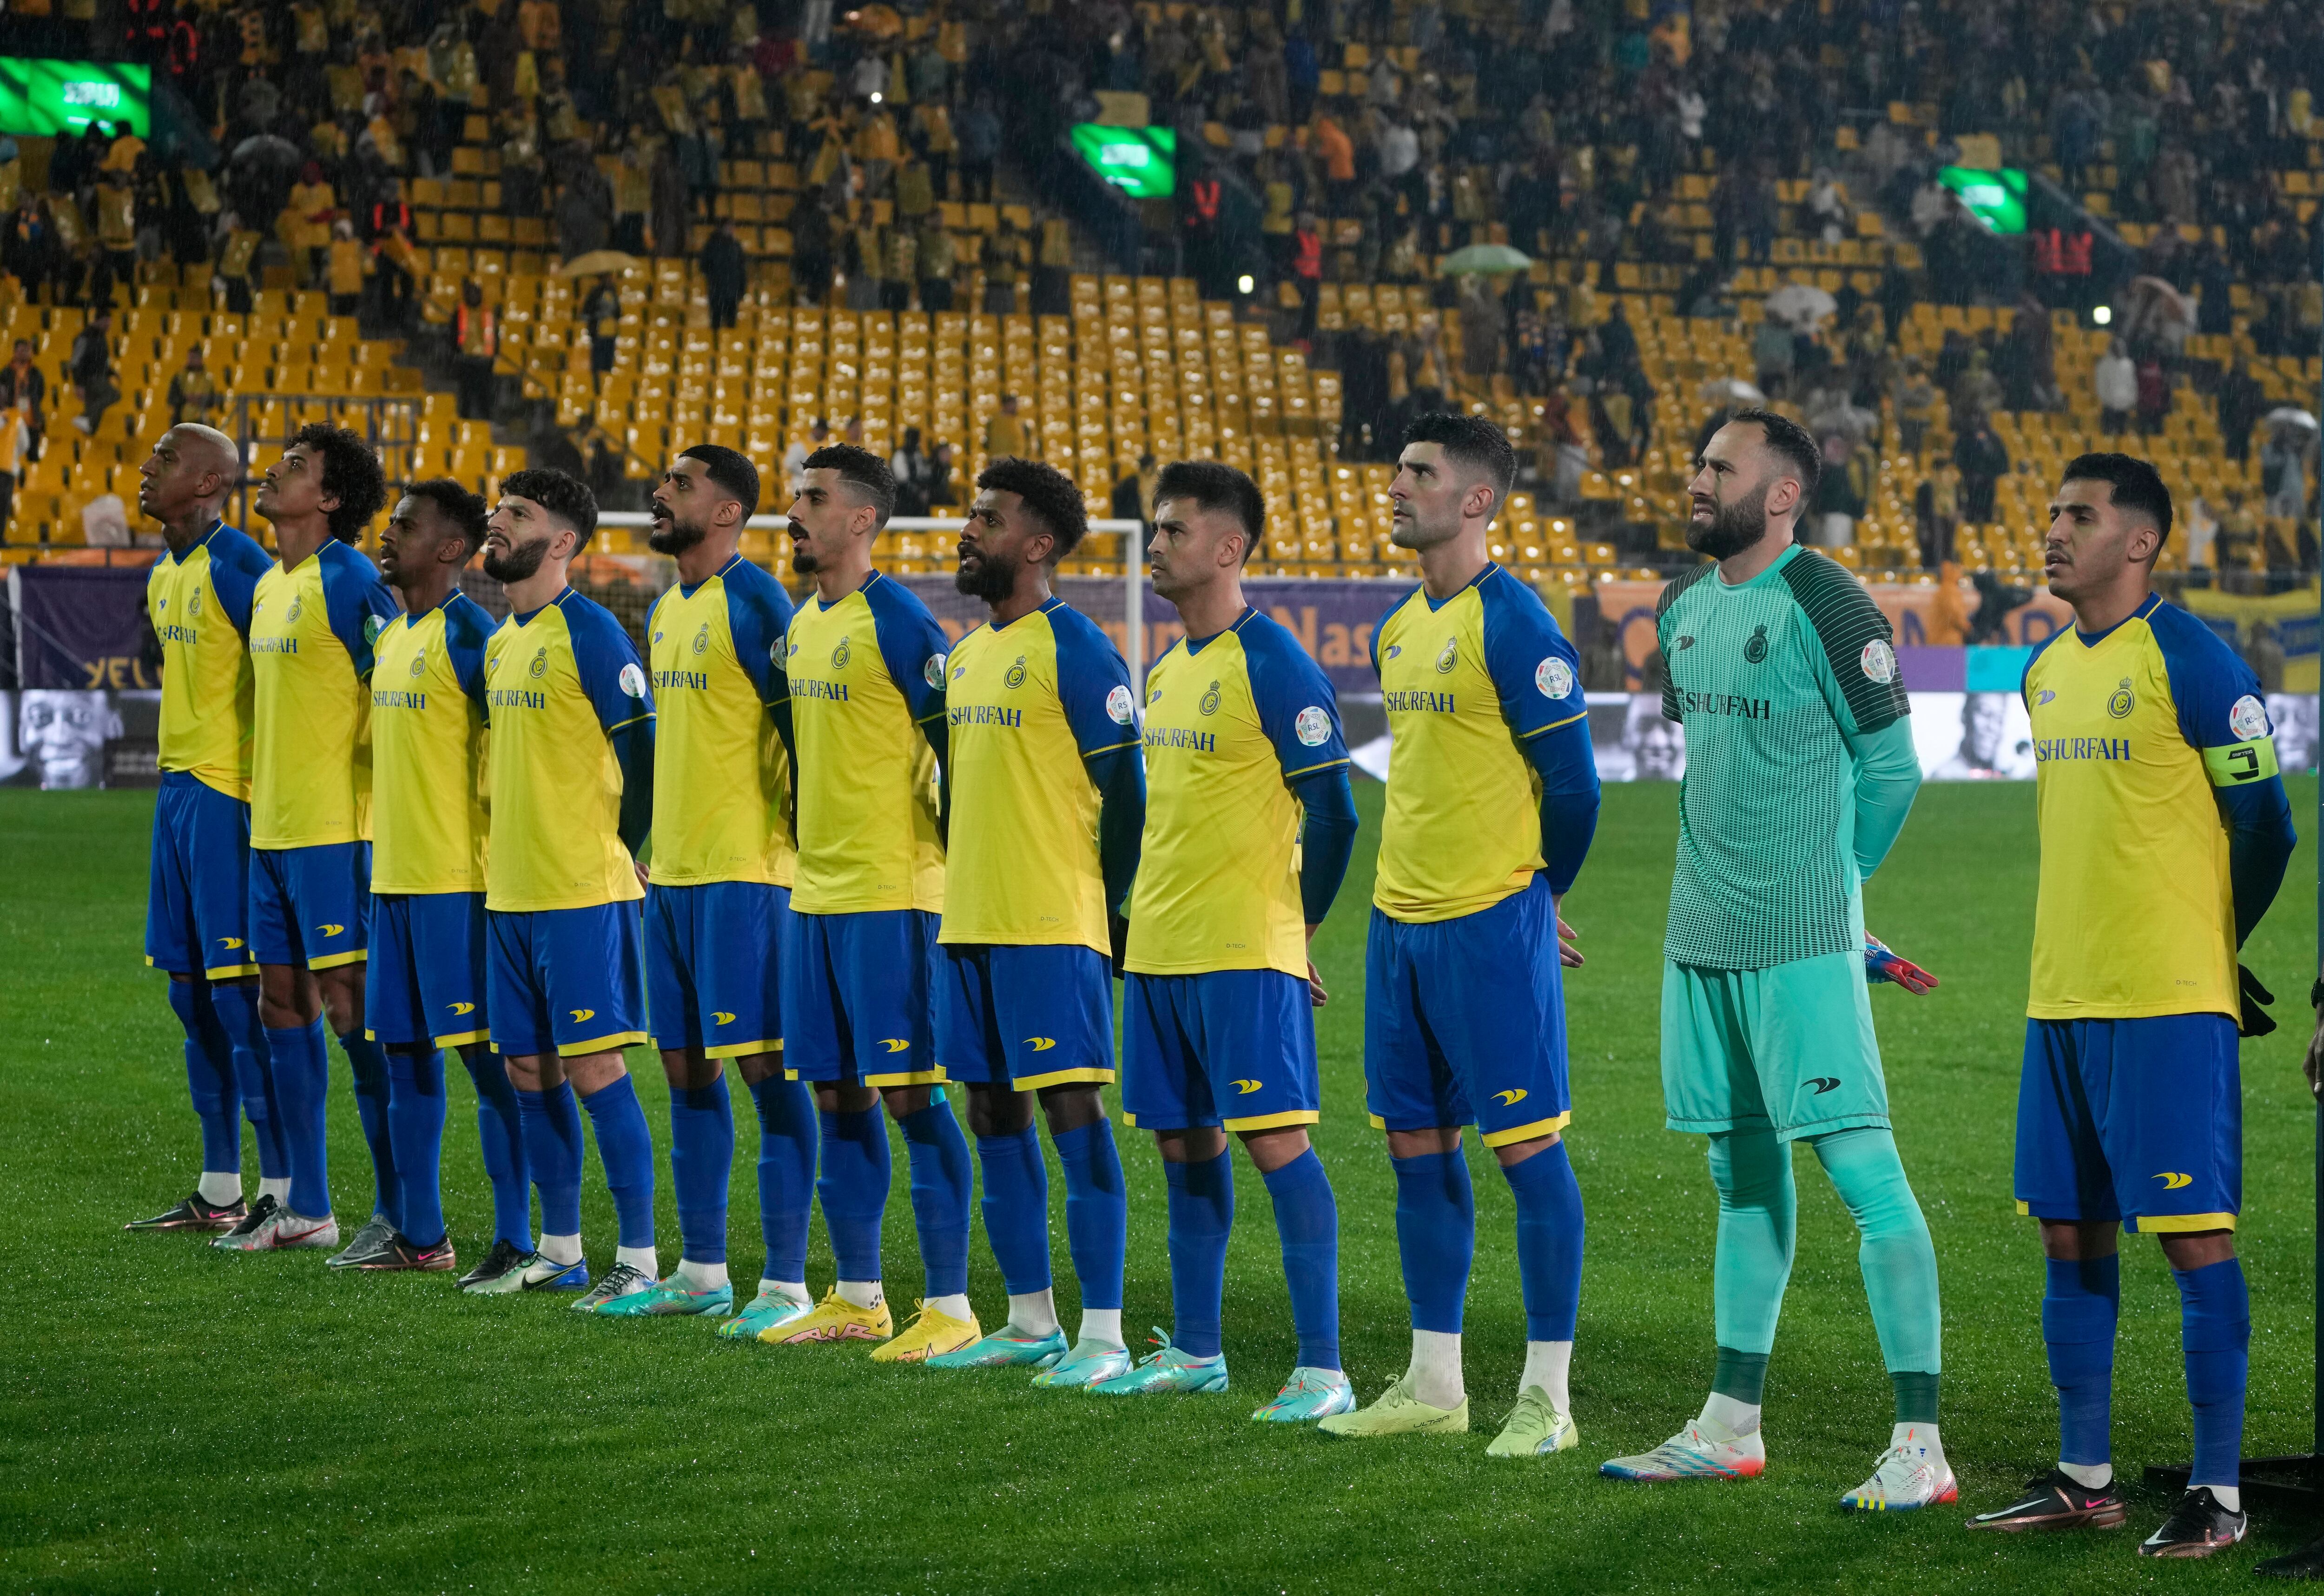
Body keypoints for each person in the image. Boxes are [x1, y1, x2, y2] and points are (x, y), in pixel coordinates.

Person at [1601, 409, 1949, 1511]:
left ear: (1784, 492)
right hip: (1698, 935)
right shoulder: (1683, 603)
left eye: (1721, 467)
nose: (1698, 481)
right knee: (1738, 1174)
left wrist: (1837, 891)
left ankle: (1921, 1444)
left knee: (1865, 1178)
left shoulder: (1828, 598)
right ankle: (1729, 1423)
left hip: (1800, 939)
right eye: (1698, 465)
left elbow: (1892, 768)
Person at [1967, 454, 2295, 1556]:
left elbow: (2269, 824)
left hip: (2165, 1000)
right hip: (2058, 993)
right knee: (2069, 1229)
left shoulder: (2193, 657)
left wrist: (2213, 943)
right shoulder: (2046, 666)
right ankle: (2083, 1473)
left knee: (2192, 1238)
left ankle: (2218, 1492)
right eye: (2053, 510)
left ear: (2139, 541)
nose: (2053, 529)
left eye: (2079, 515)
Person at [1317, 413, 1600, 1452]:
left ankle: (1548, 1401)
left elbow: (1574, 789)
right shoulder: (1400, 626)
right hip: (1396, 926)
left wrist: (1538, 897)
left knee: (1525, 1153)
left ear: (1475, 499)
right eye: (1395, 469)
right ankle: (1435, 1384)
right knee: (1413, 1147)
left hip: (1488, 924)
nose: (1394, 486)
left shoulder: (1515, 622)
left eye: (1419, 473)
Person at [1093, 460, 1360, 1419]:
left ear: (1227, 546)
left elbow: (1334, 812)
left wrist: (1301, 927)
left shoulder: (1273, 659)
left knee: (1274, 1142)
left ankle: (1323, 1368)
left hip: (1244, 947)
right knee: (1181, 1146)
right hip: (1159, 950)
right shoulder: (1165, 670)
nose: (1154, 546)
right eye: (1154, 530)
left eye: (1170, 530)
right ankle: (1197, 1349)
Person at [917, 456, 1144, 1383]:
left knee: (1072, 1111)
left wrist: (1107, 901)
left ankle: (1104, 1334)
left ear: (1038, 544)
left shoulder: (1077, 649)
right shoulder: (967, 655)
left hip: (1051, 923)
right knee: (988, 1110)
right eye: (973, 515)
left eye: (990, 518)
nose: (970, 530)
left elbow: (1126, 793)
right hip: (968, 920)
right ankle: (1028, 1320)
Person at [759, 444, 981, 1361]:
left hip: (896, 894)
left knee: (911, 1094)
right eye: (794, 497)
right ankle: (857, 1294)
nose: (795, 513)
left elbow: (959, 752)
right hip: (818, 893)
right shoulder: (806, 625)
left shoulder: (899, 622)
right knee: (836, 1091)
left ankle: (953, 1304)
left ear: (862, 519)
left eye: (812, 500)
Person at [609, 447, 819, 1329]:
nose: (661, 493)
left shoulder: (759, 600)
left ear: (729, 512)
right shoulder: (663, 610)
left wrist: (809, 851)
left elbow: (805, 733)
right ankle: (700, 1270)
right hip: (679, 875)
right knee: (687, 1073)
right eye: (664, 482)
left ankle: (787, 1282)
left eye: (682, 484)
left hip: (748, 875)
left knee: (768, 1074)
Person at [476, 468, 663, 1307]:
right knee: (527, 1066)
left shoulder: (590, 632)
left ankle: (643, 1258)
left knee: (594, 1068)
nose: (497, 519)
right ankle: (560, 1247)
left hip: (582, 891)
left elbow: (644, 756)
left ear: (562, 542)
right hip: (510, 893)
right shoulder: (500, 639)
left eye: (517, 513)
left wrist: (620, 851)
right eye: (498, 508)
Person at [213, 426, 399, 1259]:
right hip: (272, 830)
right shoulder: (271, 584)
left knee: (356, 1018)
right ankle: (308, 1205)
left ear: (328, 498)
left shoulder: (353, 579)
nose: (273, 471)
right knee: (278, 1005)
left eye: (295, 466)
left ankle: (401, 1208)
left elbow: (395, 689)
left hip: (336, 833)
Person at [364, 479, 535, 1282]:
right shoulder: (396, 632)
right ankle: (422, 1233)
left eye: (406, 524)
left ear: (452, 549)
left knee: (484, 1060)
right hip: (392, 876)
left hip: (457, 883)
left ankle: (518, 1233)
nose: (388, 533)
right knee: (402, 1051)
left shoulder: (474, 636)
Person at [125, 424, 282, 1237]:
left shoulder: (242, 567)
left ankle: (284, 1191)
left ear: (211, 479)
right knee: (190, 995)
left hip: (231, 795)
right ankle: (219, 1187)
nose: (148, 469)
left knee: (238, 997)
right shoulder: (165, 568)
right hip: (177, 791)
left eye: (166, 458)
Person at [1932, 692, 2021, 778]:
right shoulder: (1944, 776)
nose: (1992, 727)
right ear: (1965, 715)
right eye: (1985, 713)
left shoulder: (2011, 773)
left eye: (1999, 719)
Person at [453, 280, 498, 420]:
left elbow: (496, 336)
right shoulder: (459, 313)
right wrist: (456, 353)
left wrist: (494, 355)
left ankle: (486, 420)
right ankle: (464, 421)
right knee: (465, 394)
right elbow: (452, 334)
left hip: (484, 361)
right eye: (471, 293)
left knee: (484, 394)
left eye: (476, 293)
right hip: (466, 359)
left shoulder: (488, 313)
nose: (473, 296)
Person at [702, 219, 746, 333]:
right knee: (716, 323)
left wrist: (741, 288)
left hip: (731, 291)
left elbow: (741, 269)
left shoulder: (736, 246)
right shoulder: (713, 245)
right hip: (718, 290)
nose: (732, 230)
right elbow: (704, 266)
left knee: (731, 324)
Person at [165, 347, 220, 426]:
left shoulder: (208, 379)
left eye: (194, 358)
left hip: (202, 422)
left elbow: (213, 401)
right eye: (190, 358)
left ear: (200, 359)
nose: (191, 360)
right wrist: (186, 399)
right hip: (181, 422)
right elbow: (171, 399)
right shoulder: (179, 377)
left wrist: (202, 400)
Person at [2094, 338, 2136, 435]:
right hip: (2110, 406)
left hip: (2124, 406)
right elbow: (2101, 385)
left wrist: (2130, 400)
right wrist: (2109, 401)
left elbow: (2132, 384)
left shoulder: (2128, 365)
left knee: (2122, 435)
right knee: (2108, 434)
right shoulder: (2104, 365)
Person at [582, 277, 619, 379]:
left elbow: (618, 312)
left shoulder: (613, 293)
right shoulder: (595, 293)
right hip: (599, 333)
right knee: (598, 364)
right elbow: (587, 312)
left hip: (611, 333)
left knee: (608, 364)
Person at [984, 393, 1026, 460]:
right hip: (997, 458)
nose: (1015, 407)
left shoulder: (1020, 422)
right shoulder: (994, 421)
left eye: (1015, 404)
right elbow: (987, 440)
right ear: (1005, 405)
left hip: (1016, 459)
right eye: (1012, 404)